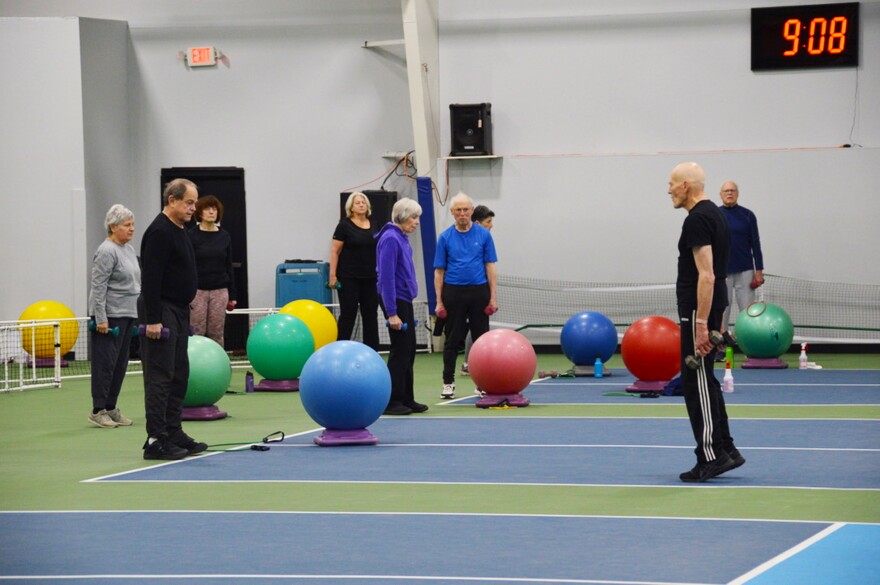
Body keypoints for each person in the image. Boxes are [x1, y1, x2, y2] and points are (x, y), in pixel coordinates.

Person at [668, 162, 744, 482]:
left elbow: (708, 275)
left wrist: (701, 324)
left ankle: (711, 456)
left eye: (672, 183)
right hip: (712, 309)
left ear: (686, 185)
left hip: (699, 311)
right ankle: (726, 448)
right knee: (706, 381)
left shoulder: (697, 219)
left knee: (695, 381)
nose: (668, 189)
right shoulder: (714, 214)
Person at [138, 178, 206, 460]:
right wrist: (154, 320)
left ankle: (173, 431)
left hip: (178, 310)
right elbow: (151, 279)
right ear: (172, 201)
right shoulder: (159, 232)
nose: (193, 209)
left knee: (179, 374)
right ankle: (156, 439)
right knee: (160, 376)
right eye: (189, 203)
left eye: (194, 203)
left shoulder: (181, 230)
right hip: (161, 310)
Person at [434, 192, 498, 399]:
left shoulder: (484, 235)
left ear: (472, 211)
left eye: (465, 210)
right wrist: (439, 301)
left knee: (482, 340)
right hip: (453, 292)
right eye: (458, 210)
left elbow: (490, 266)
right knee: (452, 340)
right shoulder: (445, 237)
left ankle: (482, 383)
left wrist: (492, 297)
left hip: (479, 292)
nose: (462, 214)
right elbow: (439, 272)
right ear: (452, 213)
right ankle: (448, 382)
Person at [87, 204, 140, 429]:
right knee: (105, 365)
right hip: (109, 317)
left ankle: (111, 407)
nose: (132, 229)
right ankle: (98, 410)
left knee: (120, 365)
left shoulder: (128, 250)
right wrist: (100, 318)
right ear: (113, 226)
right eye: (127, 225)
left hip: (129, 314)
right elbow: (98, 286)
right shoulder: (106, 251)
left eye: (132, 225)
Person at [375, 198, 427, 415]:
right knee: (399, 351)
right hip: (394, 300)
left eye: (418, 218)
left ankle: (407, 397)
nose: (416, 222)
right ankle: (392, 401)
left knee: (409, 350)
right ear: (402, 216)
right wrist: (392, 313)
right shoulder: (390, 239)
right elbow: (386, 278)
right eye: (414, 217)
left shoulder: (402, 238)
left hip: (404, 298)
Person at [329, 192, 380, 350]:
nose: (361, 205)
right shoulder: (344, 225)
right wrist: (333, 276)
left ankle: (372, 351)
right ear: (351, 207)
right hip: (348, 277)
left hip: (371, 278)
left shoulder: (374, 223)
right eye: (357, 202)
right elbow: (335, 251)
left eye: (363, 202)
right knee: (348, 314)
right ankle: (339, 350)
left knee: (371, 315)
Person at [188, 195, 236, 348]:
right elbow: (187, 266)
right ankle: (195, 368)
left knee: (216, 332)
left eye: (214, 209)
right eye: (207, 209)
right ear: (199, 213)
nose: (211, 212)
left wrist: (232, 296)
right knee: (196, 330)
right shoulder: (191, 235)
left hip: (220, 291)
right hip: (197, 291)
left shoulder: (224, 236)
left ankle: (219, 367)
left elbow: (229, 265)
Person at [718, 181, 765, 333]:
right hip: (722, 272)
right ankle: (720, 346)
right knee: (722, 311)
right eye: (726, 191)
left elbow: (756, 243)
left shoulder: (748, 215)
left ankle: (749, 345)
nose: (729, 193)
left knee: (748, 311)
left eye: (732, 190)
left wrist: (758, 271)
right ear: (721, 194)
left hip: (745, 271)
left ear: (737, 194)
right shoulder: (715, 215)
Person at [461, 204, 496, 377]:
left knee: (482, 326)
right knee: (475, 327)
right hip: (469, 290)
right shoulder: (468, 240)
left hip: (482, 289)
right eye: (488, 222)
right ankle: (468, 363)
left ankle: (480, 361)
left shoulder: (485, 239)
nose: (491, 225)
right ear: (477, 222)